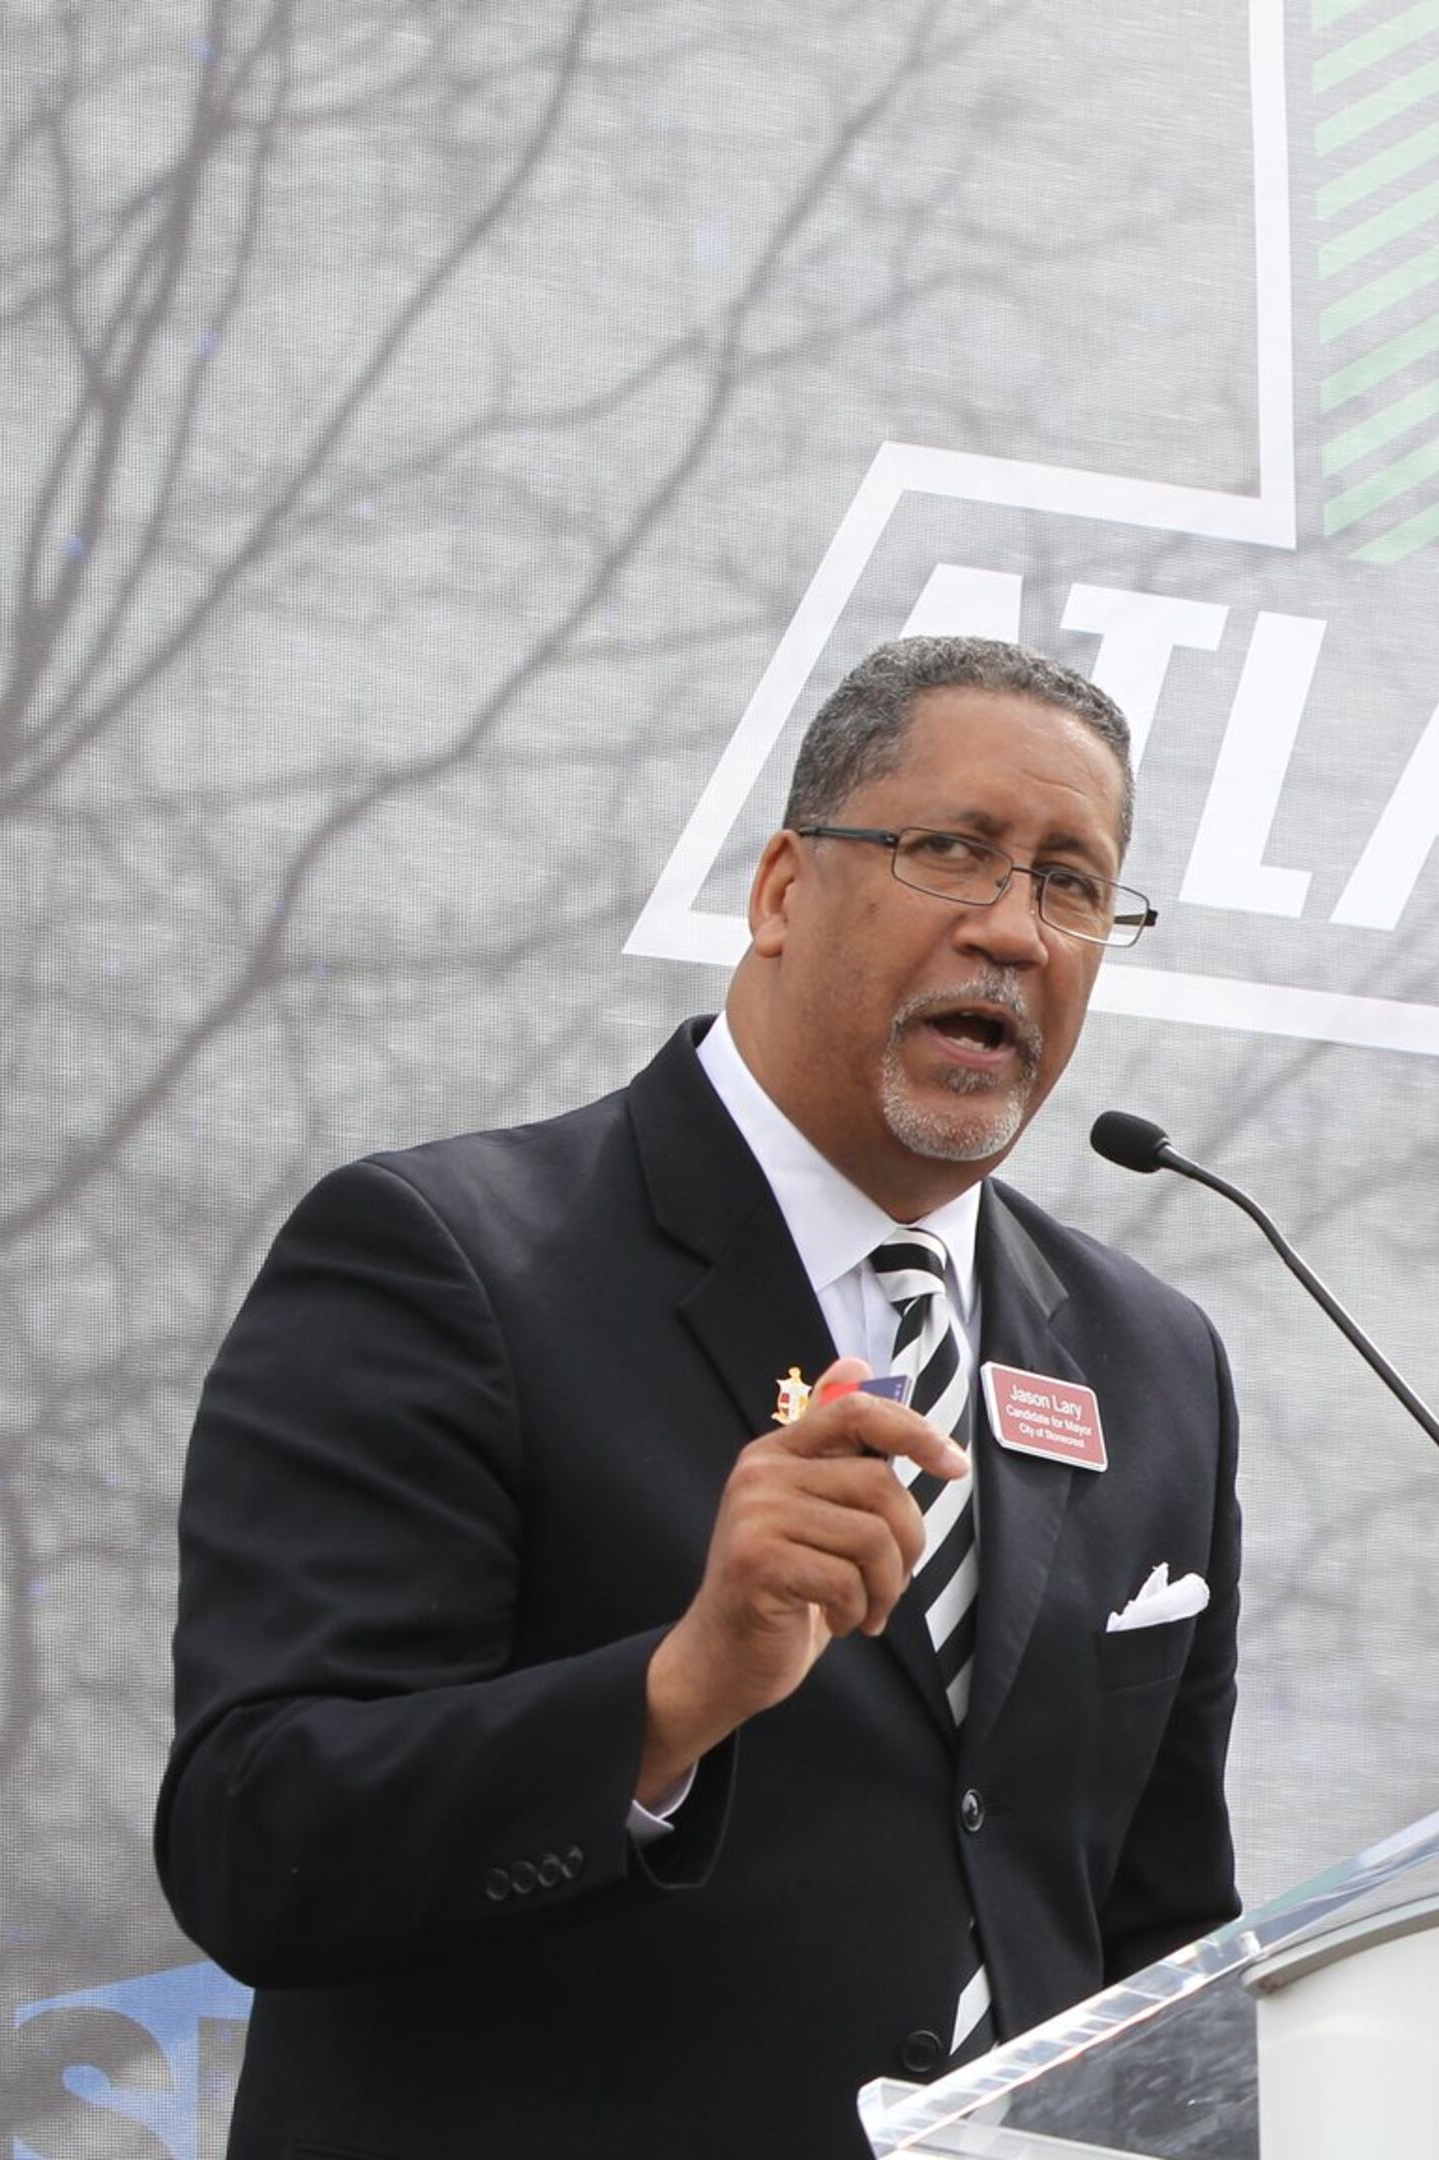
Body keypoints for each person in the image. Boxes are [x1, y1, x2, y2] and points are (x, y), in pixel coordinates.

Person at [155, 636, 1242, 2160]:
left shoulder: (1150, 1361)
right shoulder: (452, 1260)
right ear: (787, 888)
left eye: (1073, 884)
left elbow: (1163, 1940)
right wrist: (678, 1692)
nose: (1016, 929)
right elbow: (261, 1842)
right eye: (955, 852)